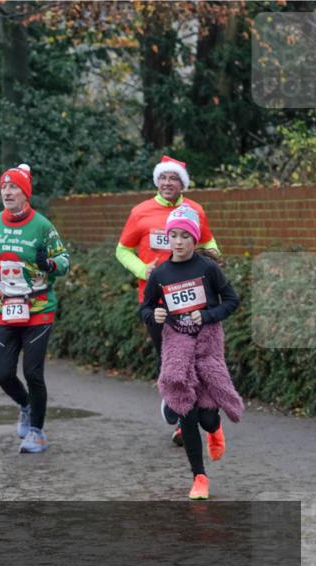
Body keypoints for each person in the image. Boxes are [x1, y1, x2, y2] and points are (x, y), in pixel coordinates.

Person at [117, 155, 222, 446]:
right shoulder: (141, 212)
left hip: (192, 298)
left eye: (173, 178)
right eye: (163, 178)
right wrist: (142, 269)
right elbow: (122, 250)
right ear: (156, 181)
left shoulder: (194, 210)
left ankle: (182, 419)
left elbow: (210, 243)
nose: (167, 183)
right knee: (170, 358)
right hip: (157, 302)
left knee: (190, 356)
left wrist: (211, 259)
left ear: (182, 183)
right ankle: (177, 402)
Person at [140, 205, 242, 499]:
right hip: (178, 348)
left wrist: (208, 316)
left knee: (207, 419)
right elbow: (146, 307)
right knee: (187, 411)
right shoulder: (160, 273)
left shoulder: (207, 268)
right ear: (168, 238)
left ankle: (216, 428)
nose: (179, 241)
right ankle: (199, 477)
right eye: (174, 235)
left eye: (185, 236)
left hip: (208, 346)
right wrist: (154, 316)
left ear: (195, 240)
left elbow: (231, 301)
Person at [0, 164, 70, 453]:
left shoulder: (42, 225)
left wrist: (49, 265)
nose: (7, 192)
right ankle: (25, 405)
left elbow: (65, 262)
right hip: (3, 309)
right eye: (4, 188)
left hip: (38, 309)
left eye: (14, 188)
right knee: (3, 374)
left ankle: (37, 431)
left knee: (33, 373)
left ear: (25, 193)